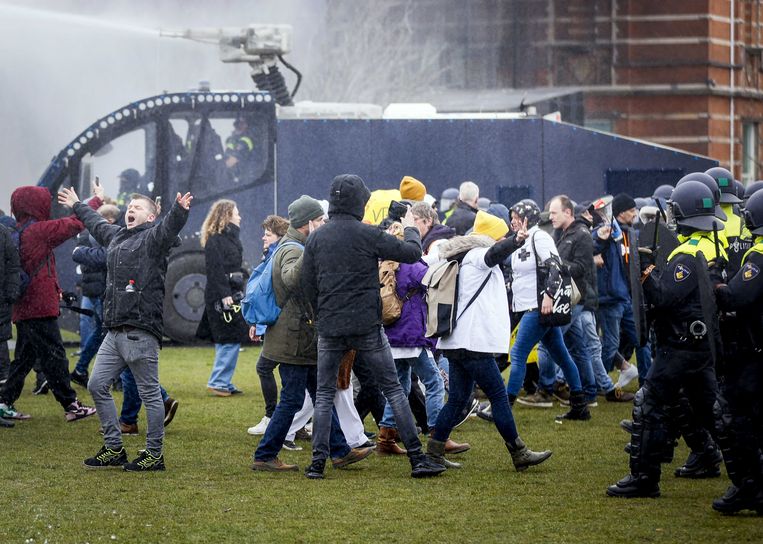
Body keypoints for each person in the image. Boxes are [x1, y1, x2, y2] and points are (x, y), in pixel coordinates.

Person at [302, 174, 445, 479]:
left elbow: (306, 285)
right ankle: (418, 459)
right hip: (366, 324)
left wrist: (322, 313)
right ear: (359, 203)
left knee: (324, 393)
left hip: (330, 325)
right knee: (393, 388)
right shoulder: (367, 235)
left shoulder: (316, 238)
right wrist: (408, 224)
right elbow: (411, 253)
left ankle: (317, 463)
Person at [58, 183, 192, 471]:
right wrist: (79, 204)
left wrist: (179, 211)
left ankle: (155, 455)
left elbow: (169, 226)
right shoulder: (117, 236)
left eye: (138, 208)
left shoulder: (154, 239)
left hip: (140, 330)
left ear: (151, 217)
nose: (131, 210)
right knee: (96, 384)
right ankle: (114, 448)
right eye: (130, 207)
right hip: (114, 330)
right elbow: (95, 223)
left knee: (149, 394)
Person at [606, 180, 725, 498]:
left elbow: (664, 296)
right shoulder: (714, 245)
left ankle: (644, 479)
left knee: (650, 404)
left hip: (681, 344)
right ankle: (745, 470)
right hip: (698, 346)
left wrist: (646, 270)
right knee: (712, 412)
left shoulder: (689, 255)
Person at [252, 195, 374, 472]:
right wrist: (313, 250)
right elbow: (292, 279)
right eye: (319, 220)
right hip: (294, 339)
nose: (323, 224)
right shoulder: (294, 248)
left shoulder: (294, 244)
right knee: (294, 399)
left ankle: (340, 451)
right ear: (309, 222)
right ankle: (265, 454)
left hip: (298, 337)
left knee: (322, 393)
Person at [426, 210, 552, 471]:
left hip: (458, 341)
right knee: (497, 395)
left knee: (458, 399)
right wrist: (515, 241)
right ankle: (519, 452)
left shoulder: (463, 257)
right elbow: (493, 253)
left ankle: (434, 452)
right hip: (473, 341)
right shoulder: (477, 256)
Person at [0, 186, 97, 424]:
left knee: (23, 359)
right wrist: (94, 201)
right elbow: (73, 224)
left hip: (26, 306)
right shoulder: (39, 231)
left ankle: (4, 402)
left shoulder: (20, 230)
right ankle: (71, 404)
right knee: (55, 356)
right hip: (39, 307)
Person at [376, 222, 467, 457]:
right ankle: (439, 434)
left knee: (400, 386)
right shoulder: (411, 265)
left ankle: (386, 437)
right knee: (434, 382)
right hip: (412, 335)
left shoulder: (384, 265)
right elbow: (433, 279)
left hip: (392, 335)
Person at [504, 201, 590, 421]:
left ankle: (503, 408)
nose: (512, 220)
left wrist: (549, 296)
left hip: (539, 307)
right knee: (561, 354)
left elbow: (556, 266)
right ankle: (580, 405)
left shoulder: (539, 237)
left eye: (516, 216)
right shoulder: (521, 239)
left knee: (518, 354)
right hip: (530, 306)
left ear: (527, 217)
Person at [711, 189, 763, 513]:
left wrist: (717, 278)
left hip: (752, 352)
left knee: (738, 420)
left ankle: (750, 487)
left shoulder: (759, 256)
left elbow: (735, 297)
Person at [593, 193, 650, 386]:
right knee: (609, 345)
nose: (635, 214)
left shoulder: (632, 233)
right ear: (621, 212)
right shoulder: (606, 230)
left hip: (628, 298)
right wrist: (599, 244)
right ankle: (593, 382)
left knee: (642, 340)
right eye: (632, 210)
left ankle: (646, 382)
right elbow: (592, 243)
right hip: (610, 299)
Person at [196, 199, 249, 396]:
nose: (240, 216)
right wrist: (225, 294)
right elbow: (215, 271)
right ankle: (219, 381)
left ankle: (223, 381)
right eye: (237, 213)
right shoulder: (216, 241)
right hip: (222, 297)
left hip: (228, 293)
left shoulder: (228, 239)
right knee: (229, 339)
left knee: (227, 339)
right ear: (227, 216)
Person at [70, 203, 121, 387]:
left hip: (95, 291)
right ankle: (113, 378)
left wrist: (82, 253)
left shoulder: (87, 235)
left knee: (100, 333)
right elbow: (106, 257)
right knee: (110, 335)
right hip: (101, 292)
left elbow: (82, 256)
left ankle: (81, 369)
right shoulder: (101, 237)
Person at [248, 214, 289, 435]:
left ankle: (272, 417)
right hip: (275, 323)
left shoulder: (278, 257)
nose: (263, 237)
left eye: (268, 234)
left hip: (281, 325)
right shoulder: (271, 255)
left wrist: (259, 322)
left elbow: (270, 295)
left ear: (279, 236)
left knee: (266, 368)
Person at [0, 221, 19, 428]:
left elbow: (13, 266)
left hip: (1, 307)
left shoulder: (3, 233)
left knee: (1, 363)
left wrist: (10, 294)